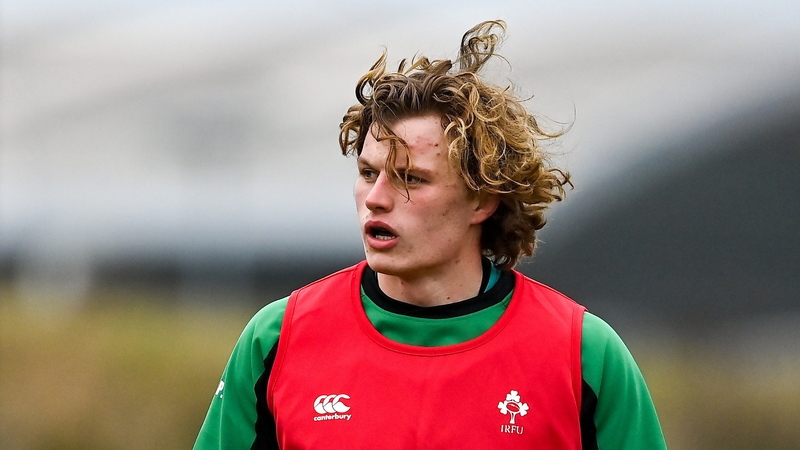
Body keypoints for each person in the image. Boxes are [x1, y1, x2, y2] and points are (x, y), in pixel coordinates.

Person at [193, 20, 666, 449]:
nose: (376, 197)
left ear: (483, 200)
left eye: (410, 178)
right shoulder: (277, 338)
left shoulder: (582, 353)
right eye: (367, 172)